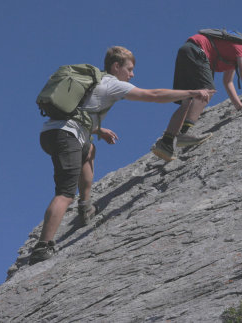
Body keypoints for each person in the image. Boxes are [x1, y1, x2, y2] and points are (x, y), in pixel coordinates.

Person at [30, 46, 215, 264]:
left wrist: (99, 130)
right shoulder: (111, 84)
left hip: (55, 132)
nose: (132, 74)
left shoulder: (94, 82)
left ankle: (86, 205)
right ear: (116, 66)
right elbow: (153, 96)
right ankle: (43, 247)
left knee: (89, 149)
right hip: (67, 135)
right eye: (129, 69)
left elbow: (79, 112)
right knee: (65, 193)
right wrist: (191, 93)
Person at [151, 31, 242, 162]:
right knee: (208, 90)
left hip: (187, 51)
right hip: (197, 50)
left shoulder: (233, 55)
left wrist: (238, 104)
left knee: (188, 101)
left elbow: (227, 81)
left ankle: (166, 143)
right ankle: (184, 134)